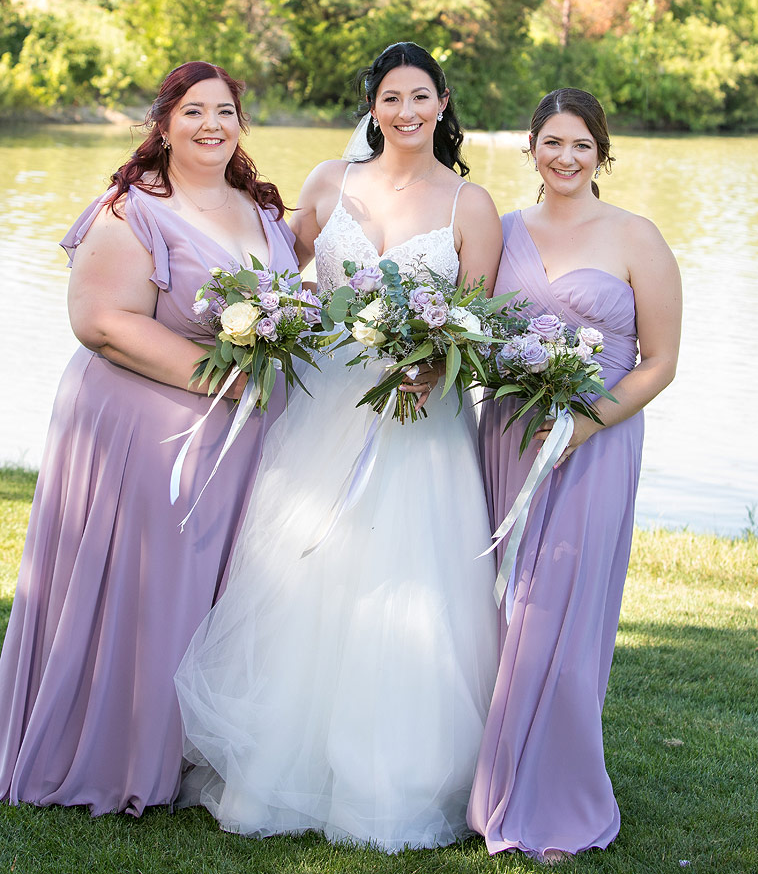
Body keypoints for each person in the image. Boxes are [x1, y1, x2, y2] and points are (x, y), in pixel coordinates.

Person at [175, 42, 502, 851]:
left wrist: (435, 360)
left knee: (407, 578)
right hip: (323, 401)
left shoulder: (472, 205)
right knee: (304, 568)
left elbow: (480, 320)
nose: (404, 112)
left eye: (418, 96)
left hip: (418, 425)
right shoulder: (330, 183)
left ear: (442, 102)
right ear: (372, 106)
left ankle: (397, 775)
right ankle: (279, 765)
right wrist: (261, 319)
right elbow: (280, 277)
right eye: (390, 98)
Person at [0, 61, 298, 816]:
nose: (210, 125)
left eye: (224, 111)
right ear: (162, 124)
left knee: (207, 597)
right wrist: (221, 382)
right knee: (146, 592)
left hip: (235, 439)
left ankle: (186, 755)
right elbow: (101, 323)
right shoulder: (131, 209)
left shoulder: (261, 210)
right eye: (192, 111)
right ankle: (114, 753)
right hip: (142, 433)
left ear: (241, 124)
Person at [468, 88, 681, 864]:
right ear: (531, 149)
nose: (565, 158)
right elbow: (471, 326)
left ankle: (553, 795)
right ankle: (489, 777)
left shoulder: (635, 236)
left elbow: (660, 362)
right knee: (503, 610)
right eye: (551, 143)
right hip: (506, 437)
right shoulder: (501, 232)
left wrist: (579, 425)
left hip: (594, 444)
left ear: (600, 153)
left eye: (580, 146)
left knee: (559, 610)